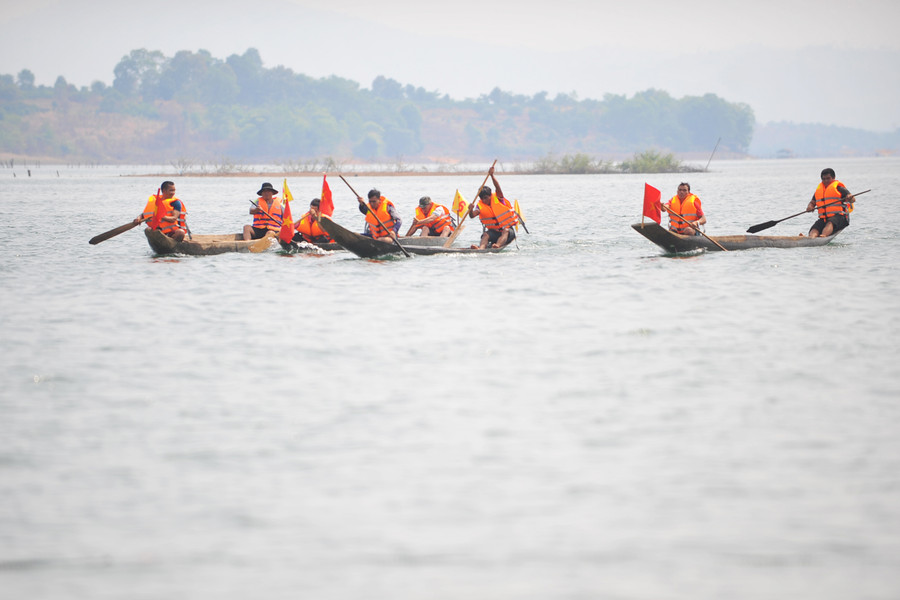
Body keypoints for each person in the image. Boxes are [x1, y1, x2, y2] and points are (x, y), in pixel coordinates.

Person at [467, 166, 517, 249]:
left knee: (506, 230)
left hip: (507, 232)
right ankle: (481, 248)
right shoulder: (480, 205)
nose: (484, 200)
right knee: (485, 235)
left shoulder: (499, 198)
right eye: (482, 198)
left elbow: (498, 187)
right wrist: (470, 210)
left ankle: (498, 245)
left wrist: (492, 176)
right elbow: (472, 215)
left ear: (490, 195)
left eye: (486, 198)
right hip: (494, 233)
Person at [806, 168, 855, 238]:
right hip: (824, 218)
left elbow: (853, 199)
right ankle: (811, 237)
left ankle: (823, 235)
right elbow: (812, 202)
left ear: (833, 178)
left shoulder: (839, 188)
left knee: (830, 222)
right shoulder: (819, 191)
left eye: (828, 178)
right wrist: (810, 207)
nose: (826, 181)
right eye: (824, 179)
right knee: (815, 227)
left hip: (840, 217)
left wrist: (850, 197)